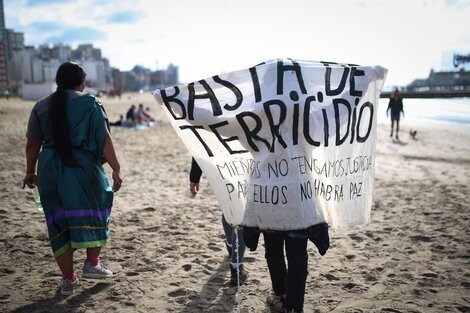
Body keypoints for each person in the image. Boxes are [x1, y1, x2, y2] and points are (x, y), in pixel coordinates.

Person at [22, 62, 122, 296]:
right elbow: (105, 140)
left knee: (58, 221)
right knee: (96, 209)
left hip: (49, 169)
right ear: (81, 82)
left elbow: (32, 143)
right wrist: (116, 169)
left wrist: (30, 171)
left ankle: (68, 280)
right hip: (82, 168)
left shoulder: (40, 107)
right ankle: (93, 263)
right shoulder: (90, 103)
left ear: (58, 82)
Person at [189, 157, 248, 286]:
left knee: (230, 206)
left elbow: (201, 143)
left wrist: (194, 177)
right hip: (239, 165)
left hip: (221, 167)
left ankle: (232, 247)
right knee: (240, 212)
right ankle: (237, 268)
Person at [244, 224, 329, 313]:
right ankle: (294, 307)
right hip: (298, 215)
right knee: (297, 255)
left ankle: (280, 295)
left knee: (273, 247)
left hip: (270, 214)